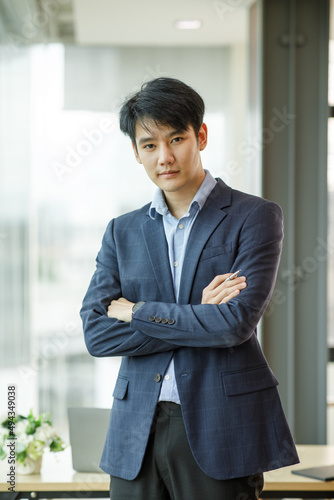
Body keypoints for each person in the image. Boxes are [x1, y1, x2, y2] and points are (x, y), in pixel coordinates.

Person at [80, 77, 299, 500]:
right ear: (136, 152)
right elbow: (97, 333)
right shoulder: (121, 231)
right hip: (135, 431)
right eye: (149, 145)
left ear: (200, 135)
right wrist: (194, 311)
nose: (165, 156)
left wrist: (137, 310)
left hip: (221, 427)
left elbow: (232, 324)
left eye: (176, 138)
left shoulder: (254, 217)